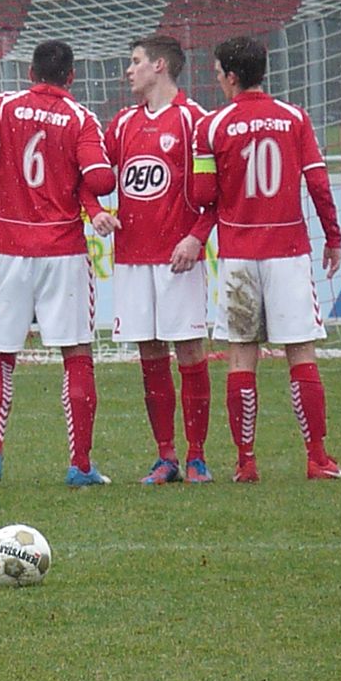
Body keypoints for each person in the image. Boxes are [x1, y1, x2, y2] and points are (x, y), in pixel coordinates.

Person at [0, 40, 116, 488]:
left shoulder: (6, 106)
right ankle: (80, 464)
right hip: (62, 250)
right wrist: (86, 180)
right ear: (71, 77)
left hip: (8, 247)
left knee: (1, 352)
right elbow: (101, 177)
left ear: (29, 72)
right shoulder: (81, 117)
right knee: (76, 352)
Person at [192, 36, 341, 482]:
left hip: (239, 256)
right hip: (288, 253)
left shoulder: (212, 126)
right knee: (301, 352)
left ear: (233, 76)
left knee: (242, 356)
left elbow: (204, 196)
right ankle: (317, 458)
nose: (218, 80)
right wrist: (333, 237)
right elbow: (318, 184)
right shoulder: (294, 119)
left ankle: (246, 462)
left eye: (220, 72)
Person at [87, 35, 214, 484]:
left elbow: (216, 193)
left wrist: (196, 238)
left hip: (178, 258)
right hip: (132, 260)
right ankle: (167, 458)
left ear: (159, 66)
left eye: (136, 61)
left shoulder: (195, 121)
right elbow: (89, 174)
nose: (129, 70)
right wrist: (97, 211)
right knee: (150, 354)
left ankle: (197, 456)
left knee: (190, 351)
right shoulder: (122, 124)